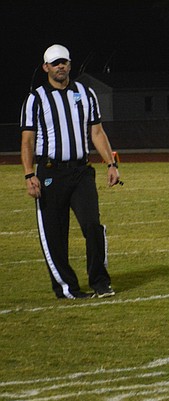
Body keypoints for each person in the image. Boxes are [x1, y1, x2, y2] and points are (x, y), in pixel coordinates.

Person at [20, 44, 121, 299]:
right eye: (55, 63)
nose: (60, 66)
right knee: (56, 235)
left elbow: (96, 131)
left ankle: (100, 281)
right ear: (46, 68)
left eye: (63, 61)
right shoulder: (36, 98)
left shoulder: (86, 93)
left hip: (81, 172)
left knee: (92, 226)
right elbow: (27, 140)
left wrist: (111, 164)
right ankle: (67, 288)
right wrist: (29, 174)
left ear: (70, 64)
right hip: (51, 173)